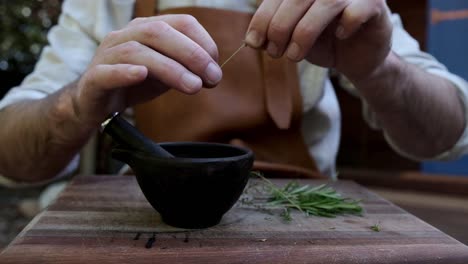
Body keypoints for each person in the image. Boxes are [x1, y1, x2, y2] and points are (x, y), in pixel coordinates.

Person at [1, 0, 468, 187]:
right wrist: (75, 105)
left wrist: (380, 69)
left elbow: (451, 134)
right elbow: (10, 151)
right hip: (147, 216)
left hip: (305, 219)